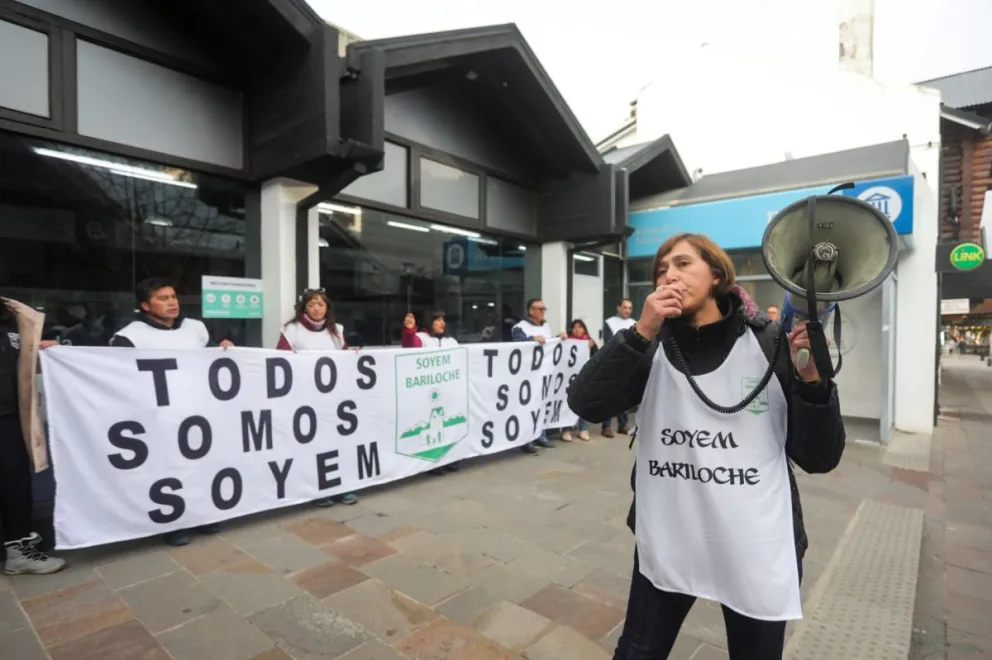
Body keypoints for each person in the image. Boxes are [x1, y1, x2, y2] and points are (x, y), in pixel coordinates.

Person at [567, 233, 845, 660]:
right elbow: (586, 403)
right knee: (637, 651)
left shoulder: (769, 341)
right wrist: (639, 332)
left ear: (716, 276)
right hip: (669, 537)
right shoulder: (652, 342)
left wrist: (812, 383)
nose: (669, 275)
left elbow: (819, 457)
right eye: (661, 270)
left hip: (755, 543)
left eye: (682, 264)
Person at [111, 278, 235, 547]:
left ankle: (202, 513)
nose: (171, 303)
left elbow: (211, 358)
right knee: (167, 469)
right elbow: (110, 371)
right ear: (145, 305)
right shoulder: (129, 336)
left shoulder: (196, 329)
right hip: (159, 417)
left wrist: (223, 348)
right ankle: (173, 521)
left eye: (173, 297)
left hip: (197, 413)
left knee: (200, 466)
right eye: (163, 298)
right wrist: (61, 354)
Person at [277, 288, 359, 507]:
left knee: (337, 442)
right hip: (305, 399)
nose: (316, 308)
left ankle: (341, 485)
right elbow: (280, 362)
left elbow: (345, 358)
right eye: (311, 304)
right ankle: (317, 489)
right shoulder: (291, 330)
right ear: (304, 308)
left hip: (334, 399)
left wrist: (354, 354)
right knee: (313, 445)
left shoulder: (336, 331)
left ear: (327, 308)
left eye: (320, 304)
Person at [0, 298, 65, 575]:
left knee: (15, 484)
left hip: (9, 415)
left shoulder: (15, 316)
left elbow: (24, 362)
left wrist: (52, 355)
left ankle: (19, 552)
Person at [402, 311, 462, 474]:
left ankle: (450, 457)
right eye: (437, 320)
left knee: (448, 425)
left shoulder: (452, 341)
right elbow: (410, 347)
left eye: (443, 320)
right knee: (432, 428)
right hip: (427, 393)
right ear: (430, 322)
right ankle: (433, 462)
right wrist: (410, 330)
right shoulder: (421, 338)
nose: (442, 323)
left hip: (449, 392)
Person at [512, 299, 567, 453]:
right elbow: (518, 344)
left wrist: (558, 337)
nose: (543, 311)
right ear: (530, 311)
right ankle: (527, 440)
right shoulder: (520, 328)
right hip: (527, 376)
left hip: (543, 374)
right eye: (540, 309)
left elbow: (549, 345)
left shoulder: (545, 327)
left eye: (544, 308)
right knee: (528, 408)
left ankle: (540, 436)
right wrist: (531, 340)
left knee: (541, 405)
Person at [602, 298, 636, 438]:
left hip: (628, 364)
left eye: (629, 308)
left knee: (623, 396)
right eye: (625, 307)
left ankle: (622, 424)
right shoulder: (610, 323)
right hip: (613, 363)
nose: (627, 310)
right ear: (618, 308)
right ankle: (606, 426)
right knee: (609, 396)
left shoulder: (634, 323)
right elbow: (609, 342)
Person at [561, 319, 598, 442]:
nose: (578, 330)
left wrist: (592, 348)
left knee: (583, 404)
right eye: (575, 327)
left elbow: (597, 359)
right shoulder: (566, 341)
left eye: (580, 327)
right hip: (569, 380)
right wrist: (561, 337)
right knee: (568, 404)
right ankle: (567, 429)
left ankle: (583, 429)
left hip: (584, 379)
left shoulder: (590, 343)